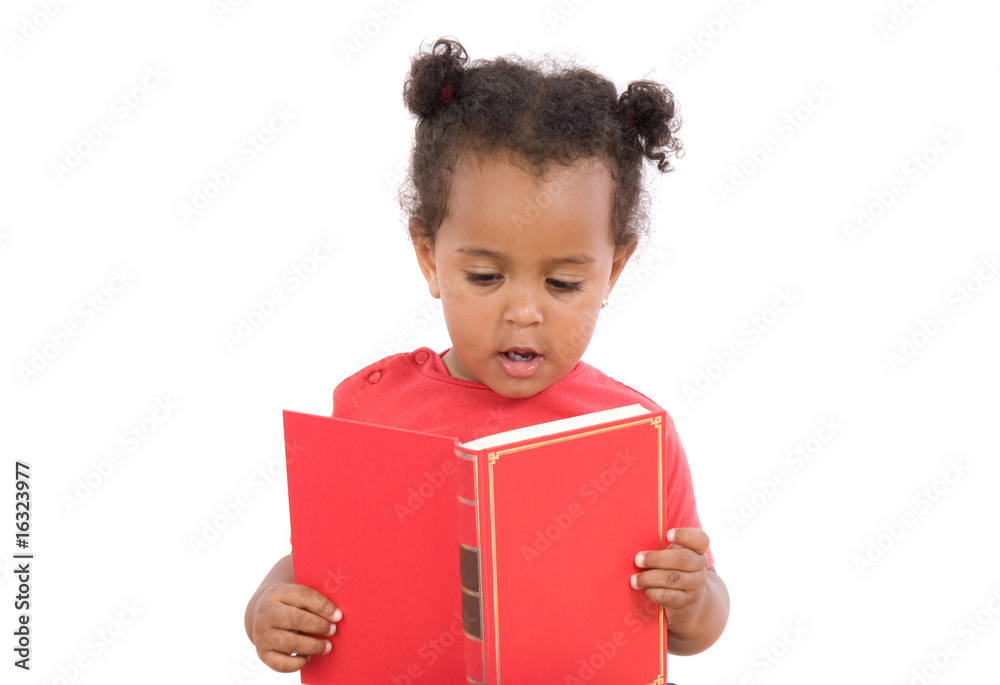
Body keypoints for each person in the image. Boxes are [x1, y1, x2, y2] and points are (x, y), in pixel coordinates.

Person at [245, 36, 729, 675]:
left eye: (562, 284)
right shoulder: (370, 406)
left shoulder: (632, 434)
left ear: (615, 268)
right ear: (429, 257)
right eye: (484, 276)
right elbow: (322, 569)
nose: (523, 312)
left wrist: (693, 597)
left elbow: (694, 628)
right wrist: (267, 610)